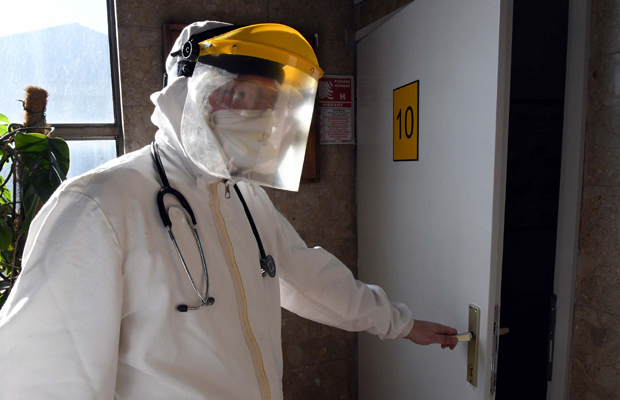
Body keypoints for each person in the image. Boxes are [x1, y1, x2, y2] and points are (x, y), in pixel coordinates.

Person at [0, 21, 458, 399]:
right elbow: (44, 382)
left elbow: (309, 279)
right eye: (240, 96)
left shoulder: (244, 198)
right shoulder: (98, 205)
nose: (259, 117)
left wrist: (400, 324)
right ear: (187, 92)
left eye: (268, 104)